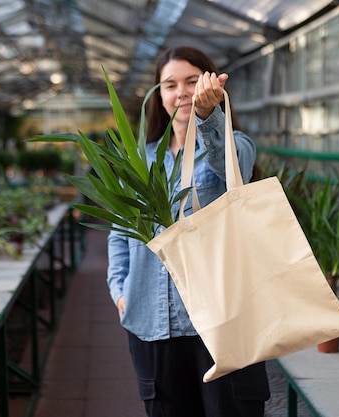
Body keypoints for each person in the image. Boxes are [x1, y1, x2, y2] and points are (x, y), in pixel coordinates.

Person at [106, 46, 270, 417]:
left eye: (192, 81)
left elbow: (231, 168)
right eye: (169, 84)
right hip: (152, 322)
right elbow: (121, 231)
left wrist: (209, 116)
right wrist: (119, 289)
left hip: (223, 321)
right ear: (158, 95)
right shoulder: (141, 159)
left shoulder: (233, 144)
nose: (180, 92)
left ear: (210, 84)